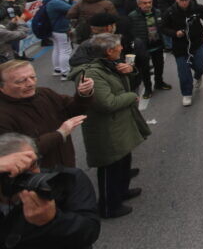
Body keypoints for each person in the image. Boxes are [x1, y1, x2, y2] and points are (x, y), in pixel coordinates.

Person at [73, 33, 149, 219]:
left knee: (123, 159)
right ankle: (108, 206)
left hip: (118, 124)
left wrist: (130, 71)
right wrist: (131, 97)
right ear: (109, 51)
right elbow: (106, 103)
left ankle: (122, 192)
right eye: (118, 46)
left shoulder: (109, 65)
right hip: (106, 128)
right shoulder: (91, 74)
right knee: (110, 166)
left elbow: (126, 84)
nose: (122, 48)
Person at [0, 133, 101, 248]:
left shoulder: (66, 180)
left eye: (33, 164)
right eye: (17, 172)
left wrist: (53, 220)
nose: (30, 175)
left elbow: (89, 232)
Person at [0, 60, 93, 168]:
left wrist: (84, 94)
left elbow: (73, 109)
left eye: (33, 77)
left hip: (66, 165)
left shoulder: (44, 93)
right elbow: (16, 154)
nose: (30, 83)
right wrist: (60, 134)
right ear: (2, 87)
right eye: (21, 81)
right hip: (37, 175)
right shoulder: (3, 115)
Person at [161, 0, 203, 106]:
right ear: (177, 0)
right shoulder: (170, 12)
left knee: (200, 66)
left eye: (186, 0)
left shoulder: (197, 8)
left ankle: (198, 76)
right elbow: (163, 28)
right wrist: (175, 33)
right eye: (182, 0)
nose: (184, 2)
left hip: (197, 43)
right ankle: (187, 94)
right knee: (183, 71)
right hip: (180, 47)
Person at [128, 0, 172, 99]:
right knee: (145, 69)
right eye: (145, 3)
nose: (148, 5)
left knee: (159, 66)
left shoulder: (157, 12)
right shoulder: (132, 16)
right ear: (139, 4)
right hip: (143, 48)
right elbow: (130, 32)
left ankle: (159, 83)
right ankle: (148, 89)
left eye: (150, 2)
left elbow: (162, 27)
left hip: (157, 45)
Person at [44, 0, 75, 80]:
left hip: (53, 28)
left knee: (57, 48)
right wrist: (74, 0)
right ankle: (65, 72)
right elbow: (72, 10)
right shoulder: (56, 2)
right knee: (65, 50)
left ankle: (57, 69)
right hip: (61, 29)